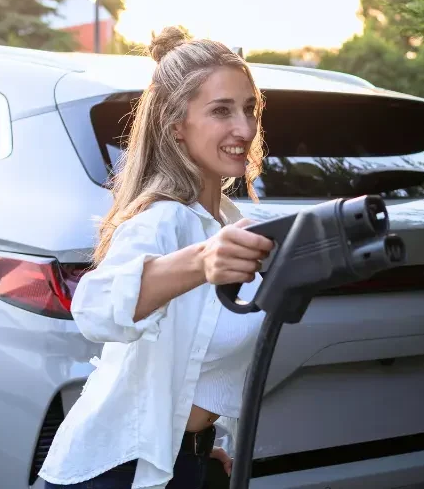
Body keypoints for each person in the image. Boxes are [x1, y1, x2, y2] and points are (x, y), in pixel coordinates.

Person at [38, 25, 275, 489]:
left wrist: (205, 445)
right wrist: (200, 262)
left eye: (249, 109)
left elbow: (197, 356)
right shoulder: (162, 221)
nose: (244, 129)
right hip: (114, 470)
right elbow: (93, 309)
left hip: (179, 460)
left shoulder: (227, 220)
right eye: (221, 111)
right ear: (175, 126)